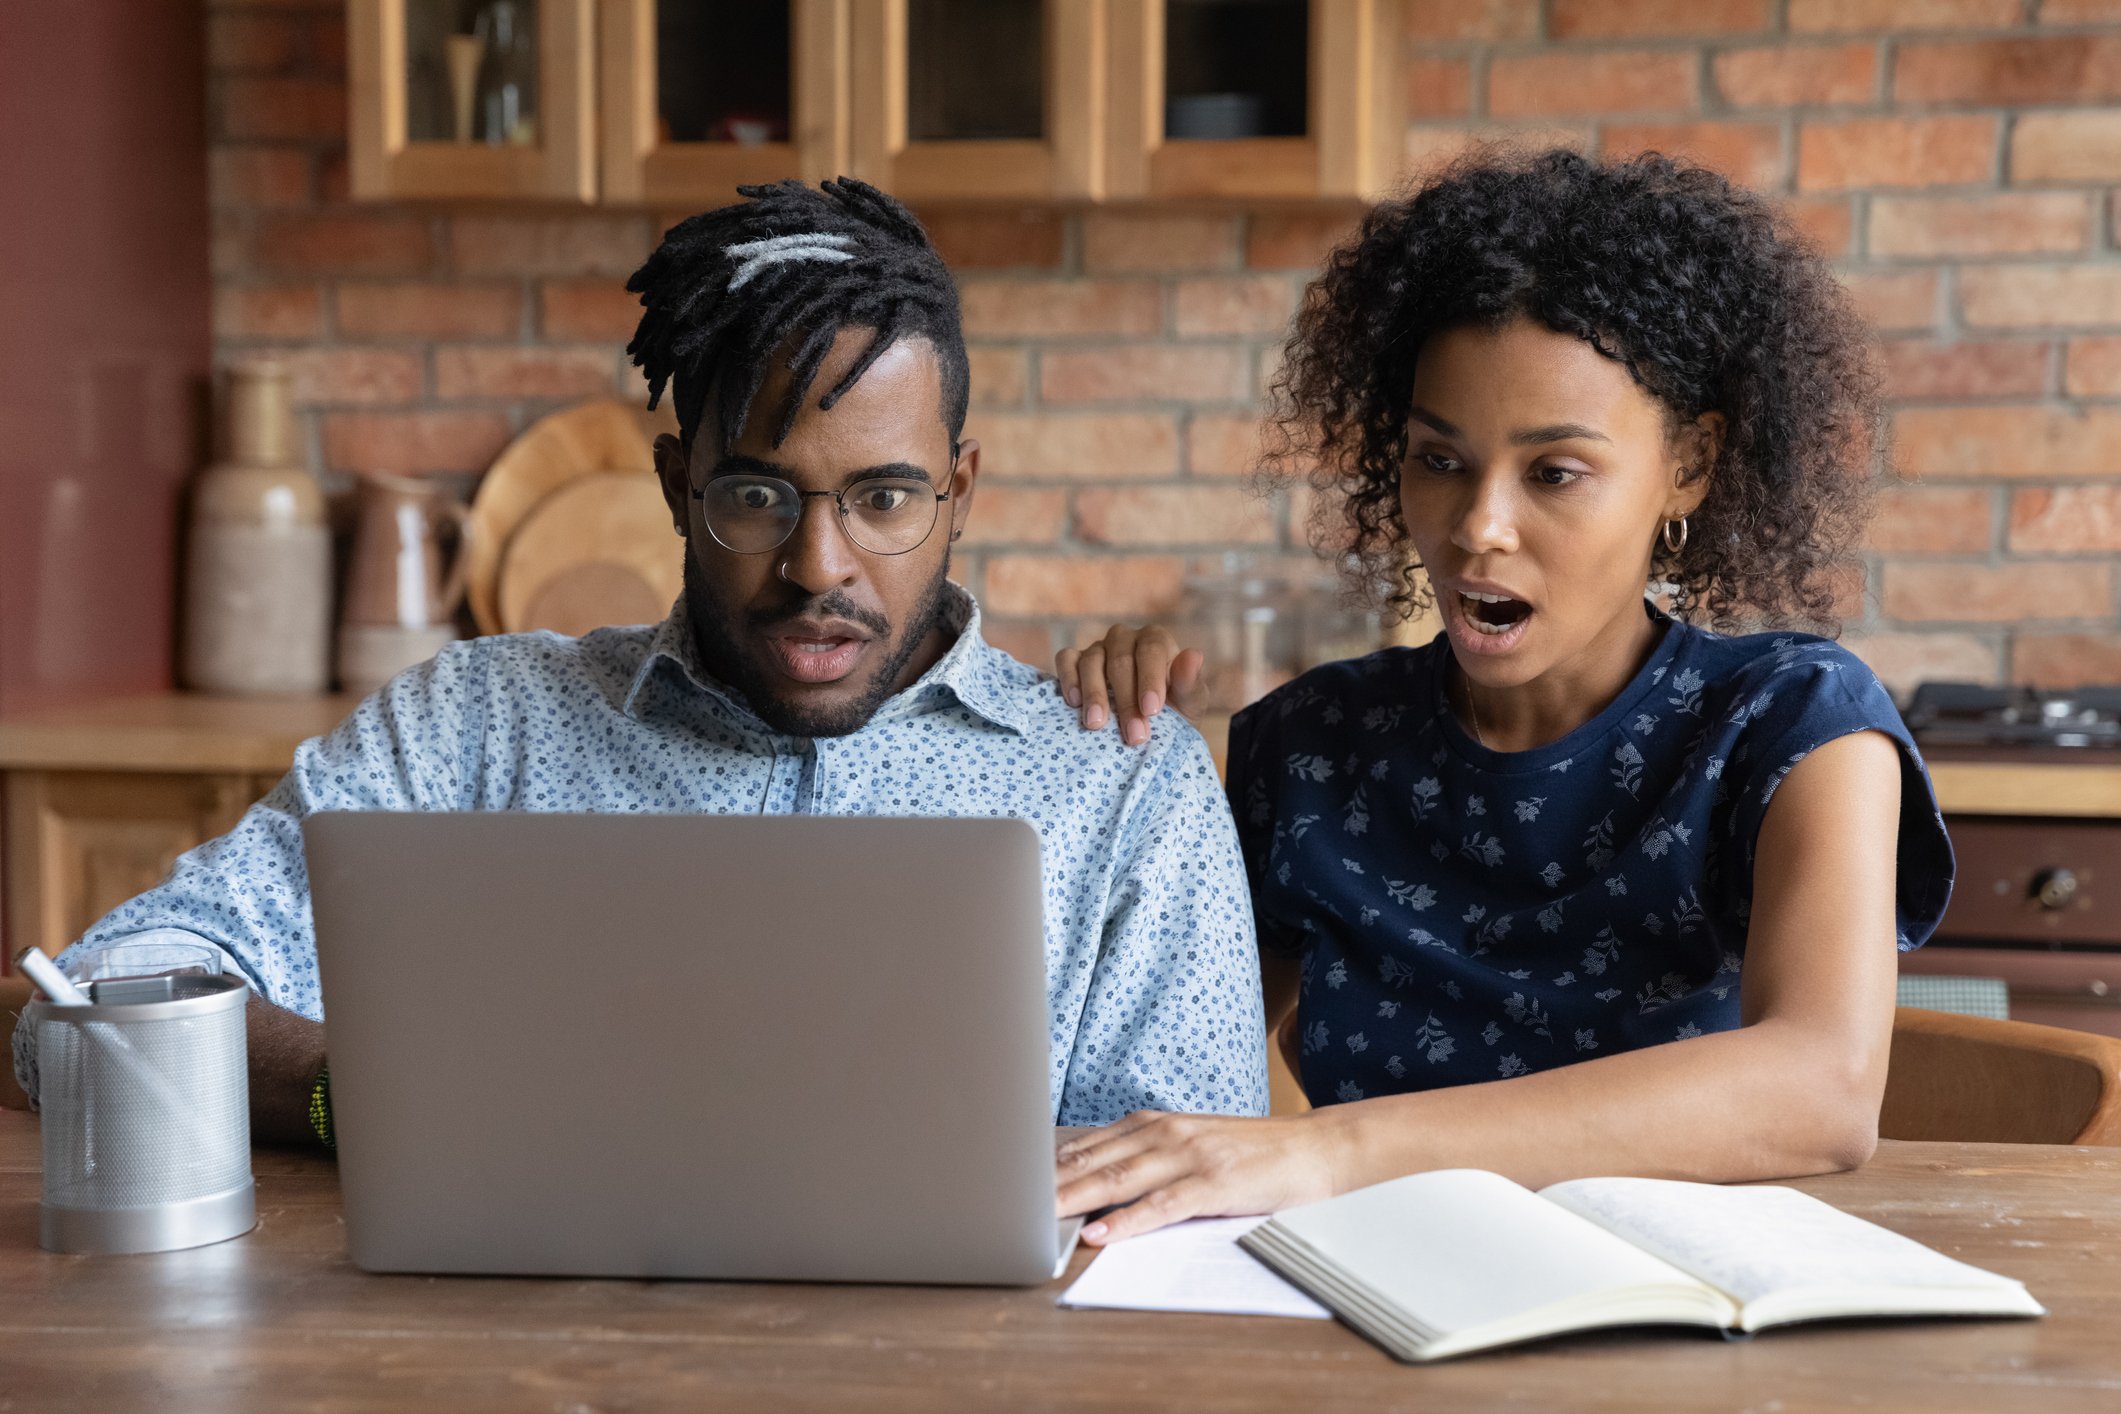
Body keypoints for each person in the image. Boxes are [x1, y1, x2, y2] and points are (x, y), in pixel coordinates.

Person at [21, 178, 1266, 1142]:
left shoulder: (1120, 779)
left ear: (962, 489)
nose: (820, 566)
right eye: (758, 496)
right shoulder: (475, 728)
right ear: (678, 487)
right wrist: (374, 1095)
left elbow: (1198, 1176)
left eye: (885, 499)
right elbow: (86, 1005)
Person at [1050, 149, 1954, 1246]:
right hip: (1367, 1298)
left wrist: (1332, 1147)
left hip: (1675, 1315)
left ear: (1690, 464)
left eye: (1554, 472)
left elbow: (1823, 1089)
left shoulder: (1796, 725)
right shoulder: (1308, 749)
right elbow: (1165, 1068)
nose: (1479, 526)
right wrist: (1128, 773)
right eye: (1440, 460)